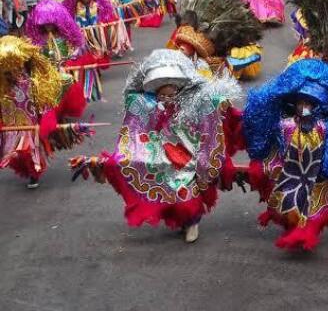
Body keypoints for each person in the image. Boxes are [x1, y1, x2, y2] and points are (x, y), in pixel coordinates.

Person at [69, 49, 243, 243]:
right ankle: (179, 220)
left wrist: (221, 102)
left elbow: (212, 106)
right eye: (162, 95)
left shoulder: (195, 102)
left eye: (171, 94)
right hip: (160, 152)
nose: (166, 99)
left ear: (179, 89)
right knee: (148, 175)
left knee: (185, 191)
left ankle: (192, 222)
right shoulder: (147, 105)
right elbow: (134, 108)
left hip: (188, 155)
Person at [243, 58, 328, 252]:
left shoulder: (324, 127)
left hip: (314, 177)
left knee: (311, 208)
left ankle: (304, 233)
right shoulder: (285, 125)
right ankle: (293, 229)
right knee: (288, 206)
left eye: (309, 102)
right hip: (290, 176)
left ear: (316, 105)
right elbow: (271, 139)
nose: (304, 106)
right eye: (301, 102)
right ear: (295, 104)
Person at [0, 36, 88, 189]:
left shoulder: (32, 82)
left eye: (16, 67)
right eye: (8, 70)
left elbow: (44, 103)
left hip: (31, 125)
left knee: (29, 152)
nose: (13, 72)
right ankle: (28, 171)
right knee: (15, 155)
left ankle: (34, 174)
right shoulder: (3, 87)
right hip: (12, 127)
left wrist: (46, 122)